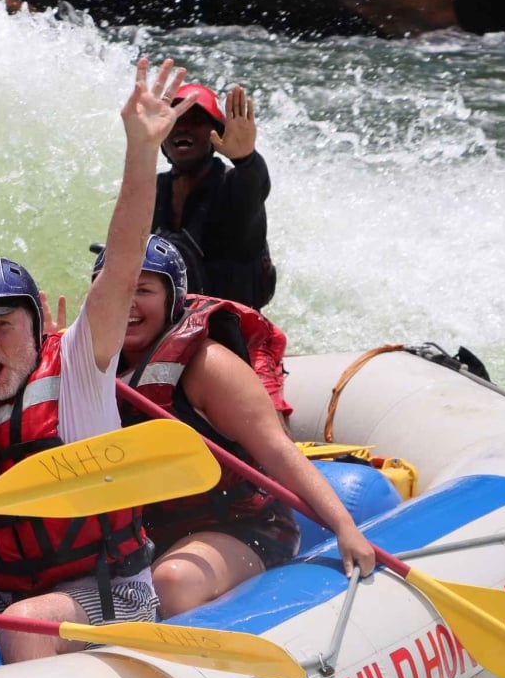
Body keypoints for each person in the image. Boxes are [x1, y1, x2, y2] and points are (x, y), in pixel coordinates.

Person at [0, 57, 190, 665]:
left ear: (40, 327)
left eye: (2, 326)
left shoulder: (80, 367)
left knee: (28, 621)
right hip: (3, 587)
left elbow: (123, 267)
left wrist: (141, 154)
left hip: (110, 592)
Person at [112, 235, 376, 617]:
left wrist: (344, 527)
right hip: (140, 538)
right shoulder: (85, 369)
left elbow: (277, 449)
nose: (127, 303)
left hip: (238, 528)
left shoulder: (208, 366)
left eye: (143, 289)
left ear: (172, 299)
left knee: (171, 582)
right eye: (115, 288)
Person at [153, 82, 277, 309]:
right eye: (176, 120)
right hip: (167, 325)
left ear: (216, 134)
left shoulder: (234, 186)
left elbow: (255, 184)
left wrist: (246, 158)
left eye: (196, 121)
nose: (183, 128)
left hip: (231, 329)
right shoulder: (153, 189)